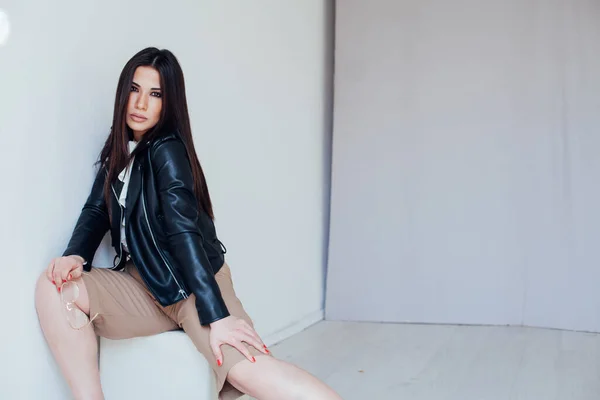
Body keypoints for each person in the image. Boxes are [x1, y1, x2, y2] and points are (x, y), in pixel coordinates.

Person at [34, 47, 342, 400]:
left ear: (169, 103)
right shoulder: (122, 149)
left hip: (194, 283)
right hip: (144, 283)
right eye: (134, 90)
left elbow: (183, 233)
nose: (140, 103)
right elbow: (96, 210)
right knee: (54, 289)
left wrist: (216, 313)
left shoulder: (167, 150)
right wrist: (76, 255)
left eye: (155, 94)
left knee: (246, 371)